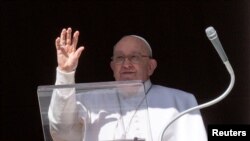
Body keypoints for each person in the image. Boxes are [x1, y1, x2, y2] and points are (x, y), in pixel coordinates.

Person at [48, 27, 208, 141]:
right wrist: (65, 72)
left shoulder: (179, 101)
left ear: (151, 66)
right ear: (112, 67)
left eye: (135, 57)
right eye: (119, 58)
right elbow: (61, 132)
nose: (126, 64)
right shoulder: (90, 101)